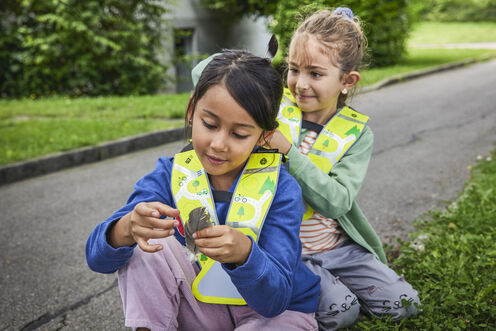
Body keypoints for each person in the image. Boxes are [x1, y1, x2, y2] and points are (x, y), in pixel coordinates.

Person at [85, 49, 320, 331]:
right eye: (209, 124)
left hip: (274, 315)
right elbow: (97, 258)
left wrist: (246, 254)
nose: (219, 144)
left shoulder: (281, 190)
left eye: (239, 134)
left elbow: (275, 301)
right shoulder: (170, 174)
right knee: (145, 245)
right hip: (202, 303)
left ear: (265, 135)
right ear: (191, 111)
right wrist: (126, 228)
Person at [263, 7, 421, 330]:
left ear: (347, 81)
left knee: (405, 304)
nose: (300, 84)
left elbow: (337, 202)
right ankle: (328, 293)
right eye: (293, 70)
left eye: (315, 74)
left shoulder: (356, 134)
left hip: (338, 249)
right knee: (341, 311)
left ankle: (334, 286)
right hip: (288, 251)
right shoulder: (272, 116)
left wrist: (289, 153)